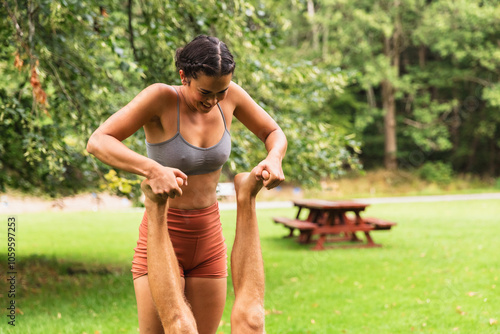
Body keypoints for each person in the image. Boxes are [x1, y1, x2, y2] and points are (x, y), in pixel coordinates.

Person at [86, 35, 287, 333]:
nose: (213, 101)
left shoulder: (230, 97)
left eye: (221, 92)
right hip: (163, 233)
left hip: (209, 237)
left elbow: (273, 131)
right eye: (205, 92)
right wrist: (152, 169)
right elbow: (98, 141)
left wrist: (274, 157)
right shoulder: (161, 98)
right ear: (184, 76)